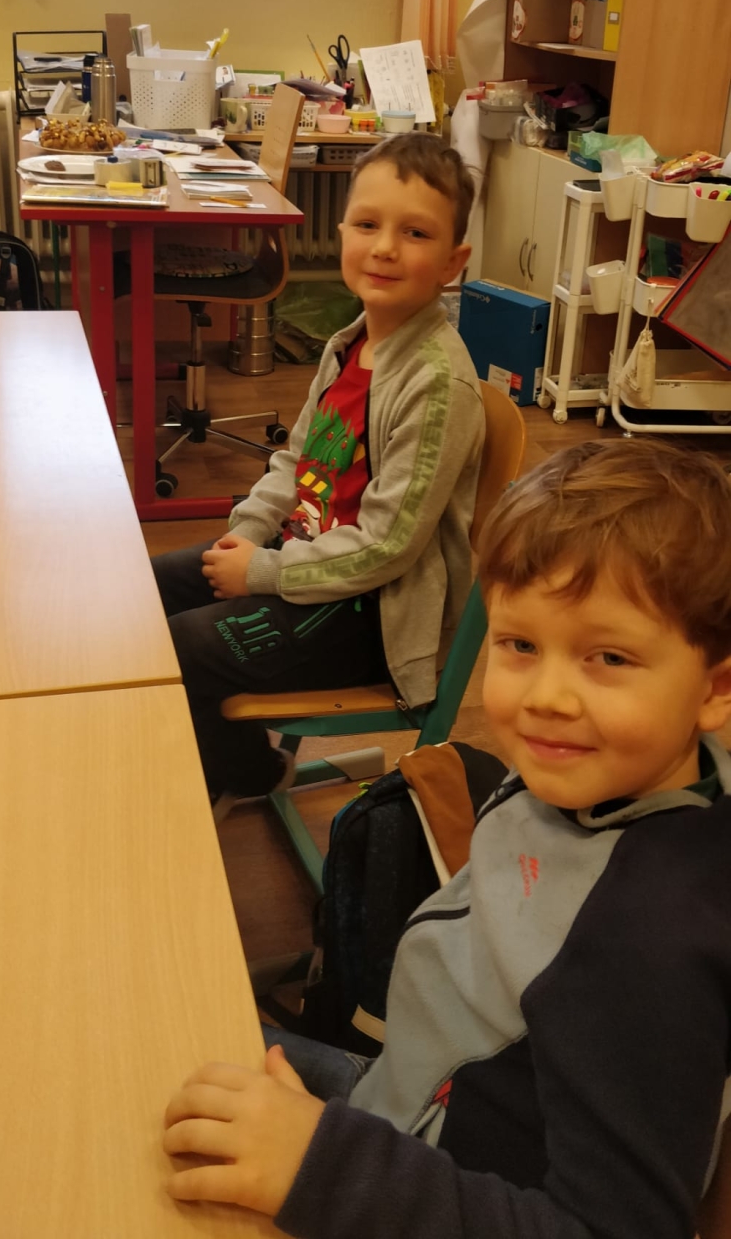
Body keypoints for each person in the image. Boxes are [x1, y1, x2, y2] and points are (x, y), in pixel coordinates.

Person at [162, 437, 731, 1239]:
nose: (547, 698)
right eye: (520, 645)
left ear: (715, 689)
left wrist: (323, 1165)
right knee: (159, 1037)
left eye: (608, 657)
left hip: (440, 1172)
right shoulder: (604, 775)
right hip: (413, 1093)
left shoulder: (644, 946)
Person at [152, 134, 484, 801]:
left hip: (370, 616)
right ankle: (215, 757)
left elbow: (387, 546)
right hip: (309, 562)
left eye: (415, 233)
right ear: (341, 233)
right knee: (146, 591)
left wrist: (263, 572)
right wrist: (248, 534)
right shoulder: (349, 344)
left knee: (187, 647)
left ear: (453, 262)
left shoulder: (437, 385)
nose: (385, 247)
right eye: (367, 225)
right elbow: (294, 458)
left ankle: (245, 774)